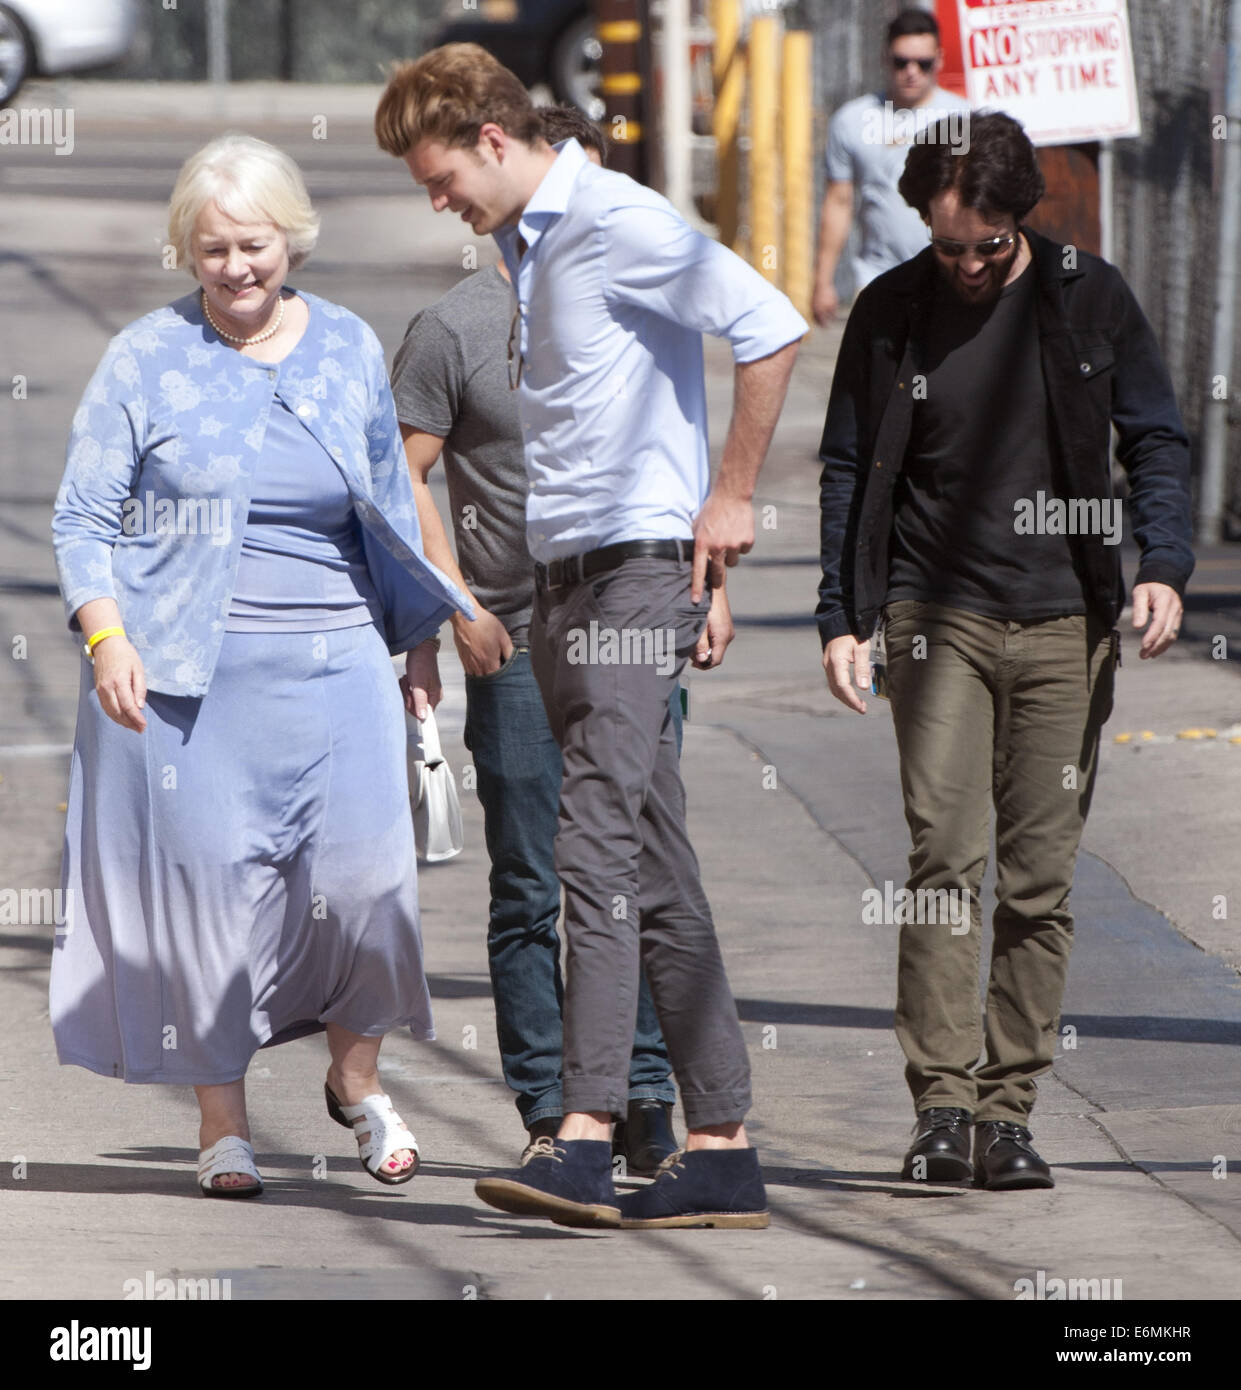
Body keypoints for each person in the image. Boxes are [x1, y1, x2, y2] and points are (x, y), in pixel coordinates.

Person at [376, 44, 806, 1228]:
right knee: (656, 861)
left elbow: (768, 326)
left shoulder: (614, 218)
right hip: (555, 583)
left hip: (630, 574)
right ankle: (719, 1140)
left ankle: (584, 1130)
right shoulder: (529, 246)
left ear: (495, 140)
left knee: (594, 846)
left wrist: (726, 497)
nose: (437, 200)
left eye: (440, 174)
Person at [51, 134, 472, 1197]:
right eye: (213, 251)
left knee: (368, 890)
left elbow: (388, 509)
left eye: (254, 245)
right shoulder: (147, 357)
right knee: (208, 908)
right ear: (185, 253)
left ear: (291, 238)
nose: (237, 268)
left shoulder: (342, 346)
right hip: (190, 687)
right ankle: (222, 1125)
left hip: (337, 669)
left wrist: (417, 645)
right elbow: (83, 516)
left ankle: (356, 1078)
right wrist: (107, 636)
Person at [817, 110, 1194, 1190]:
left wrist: (1160, 562)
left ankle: (1006, 1109)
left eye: (988, 245)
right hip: (936, 616)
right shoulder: (892, 313)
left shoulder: (1089, 294)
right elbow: (848, 469)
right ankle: (940, 1103)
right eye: (949, 248)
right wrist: (843, 617)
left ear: (1019, 219)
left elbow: (1155, 436)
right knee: (943, 860)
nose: (971, 265)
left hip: (1066, 621)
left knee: (1037, 879)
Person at [812, 7, 970, 326]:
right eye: (901, 62)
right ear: (886, 58)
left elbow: (975, 199)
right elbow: (839, 202)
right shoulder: (852, 120)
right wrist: (823, 280)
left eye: (923, 63)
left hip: (948, 275)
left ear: (939, 59)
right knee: (879, 372)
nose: (911, 71)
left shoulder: (962, 118)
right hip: (877, 274)